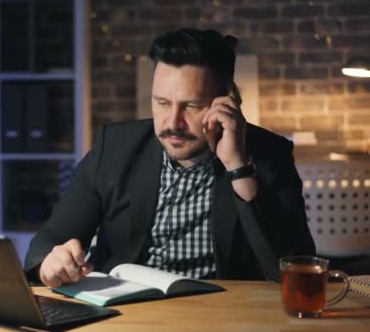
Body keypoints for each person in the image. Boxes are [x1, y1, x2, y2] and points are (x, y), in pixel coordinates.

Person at [24, 28, 315, 287]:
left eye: (191, 105)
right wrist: (52, 263)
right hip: (126, 317)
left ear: (227, 100)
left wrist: (238, 167)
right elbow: (49, 240)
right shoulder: (113, 147)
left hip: (218, 317)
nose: (172, 122)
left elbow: (294, 272)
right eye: (162, 103)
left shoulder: (269, 154)